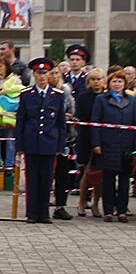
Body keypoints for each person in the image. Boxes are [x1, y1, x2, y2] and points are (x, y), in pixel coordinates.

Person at [15, 58, 67, 224]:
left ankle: (44, 213)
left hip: (49, 143)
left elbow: (61, 124)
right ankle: (32, 213)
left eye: (45, 73)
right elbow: (21, 121)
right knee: (32, 179)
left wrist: (60, 145)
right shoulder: (26, 95)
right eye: (39, 73)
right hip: (31, 142)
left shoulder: (57, 95)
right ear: (34, 74)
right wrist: (20, 145)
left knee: (47, 179)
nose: (42, 76)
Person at [90, 69, 136, 223]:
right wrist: (96, 143)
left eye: (120, 81)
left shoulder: (132, 101)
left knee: (124, 180)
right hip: (108, 144)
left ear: (125, 83)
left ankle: (122, 210)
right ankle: (108, 211)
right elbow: (95, 122)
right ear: (109, 84)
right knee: (108, 180)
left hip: (127, 145)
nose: (117, 84)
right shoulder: (101, 99)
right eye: (114, 81)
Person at [75, 70, 105, 217]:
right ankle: (82, 202)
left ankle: (95, 204)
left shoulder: (107, 97)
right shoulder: (83, 97)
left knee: (100, 174)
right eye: (93, 79)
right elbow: (80, 117)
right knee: (87, 172)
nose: (96, 82)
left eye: (99, 79)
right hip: (86, 138)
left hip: (104, 138)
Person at [48, 65, 75, 219]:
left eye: (57, 73)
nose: (54, 76)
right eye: (52, 73)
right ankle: (41, 203)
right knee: (45, 173)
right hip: (46, 138)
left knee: (62, 174)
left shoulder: (65, 90)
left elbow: (72, 108)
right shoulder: (42, 92)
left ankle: (60, 206)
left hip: (64, 138)